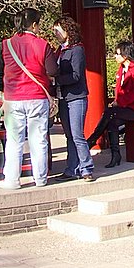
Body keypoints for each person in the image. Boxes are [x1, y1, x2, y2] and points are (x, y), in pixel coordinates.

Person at [0, 7, 58, 190]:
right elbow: (52, 71)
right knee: (39, 139)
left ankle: (12, 180)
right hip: (37, 97)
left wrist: (1, 92)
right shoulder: (43, 45)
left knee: (14, 140)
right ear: (35, 25)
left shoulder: (5, 44)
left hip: (13, 99)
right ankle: (40, 178)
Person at [86, 40, 134, 167]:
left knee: (109, 112)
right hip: (126, 106)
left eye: (117, 54)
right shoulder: (121, 69)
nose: (115, 56)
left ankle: (93, 139)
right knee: (112, 122)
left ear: (125, 55)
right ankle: (115, 155)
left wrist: (119, 103)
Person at [53, 17, 93, 181]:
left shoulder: (77, 50)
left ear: (67, 30)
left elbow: (76, 75)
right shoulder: (60, 50)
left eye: (57, 30)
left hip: (76, 96)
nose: (55, 33)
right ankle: (72, 168)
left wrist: (56, 80)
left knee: (77, 134)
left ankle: (86, 167)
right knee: (69, 135)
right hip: (63, 97)